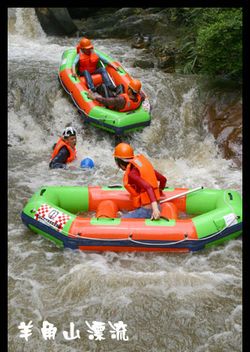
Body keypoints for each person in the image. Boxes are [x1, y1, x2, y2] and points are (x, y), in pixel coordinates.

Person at [113, 143, 167, 220]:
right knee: (125, 213)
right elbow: (163, 179)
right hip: (157, 205)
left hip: (148, 210)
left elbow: (148, 187)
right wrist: (159, 191)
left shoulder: (132, 174)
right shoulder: (141, 166)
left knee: (121, 220)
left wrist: (155, 209)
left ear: (120, 163)